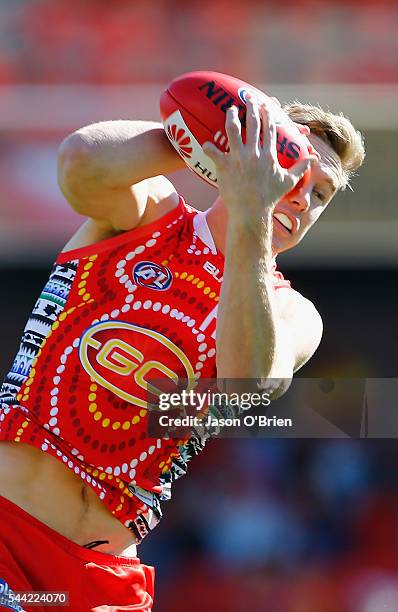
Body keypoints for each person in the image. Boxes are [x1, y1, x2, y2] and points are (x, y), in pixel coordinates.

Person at [0, 96, 365, 611]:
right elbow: (80, 163)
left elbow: (249, 383)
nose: (304, 199)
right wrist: (211, 140)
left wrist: (251, 217)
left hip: (101, 574)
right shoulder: (152, 213)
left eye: (322, 194)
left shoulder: (294, 313)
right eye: (294, 170)